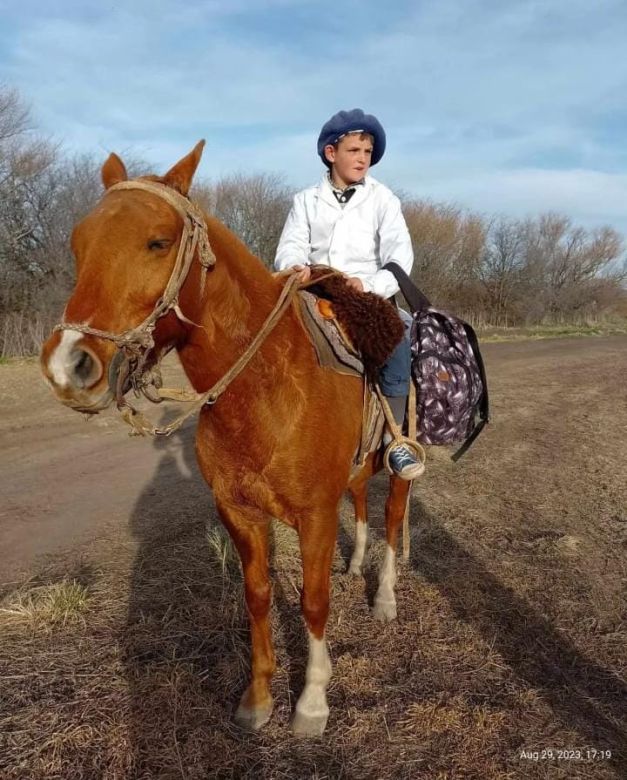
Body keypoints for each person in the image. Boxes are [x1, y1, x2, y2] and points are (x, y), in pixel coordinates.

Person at [274, 108, 422, 480]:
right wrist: (295, 266)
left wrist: (369, 284)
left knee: (400, 333)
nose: (362, 159)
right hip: (315, 290)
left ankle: (395, 438)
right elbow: (291, 245)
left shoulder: (383, 200)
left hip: (367, 294)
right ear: (331, 153)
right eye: (354, 150)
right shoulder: (304, 200)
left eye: (367, 153)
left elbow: (399, 257)